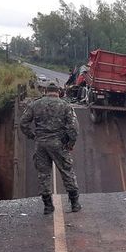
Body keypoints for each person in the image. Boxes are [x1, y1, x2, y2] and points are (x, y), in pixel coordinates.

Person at [20, 83, 82, 214]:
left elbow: (23, 123)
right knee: (66, 171)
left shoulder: (35, 104)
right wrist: (70, 144)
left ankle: (48, 206)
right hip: (58, 143)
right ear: (58, 92)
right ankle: (75, 204)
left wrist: (32, 135)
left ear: (45, 91)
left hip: (41, 143)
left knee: (43, 174)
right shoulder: (65, 105)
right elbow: (73, 128)